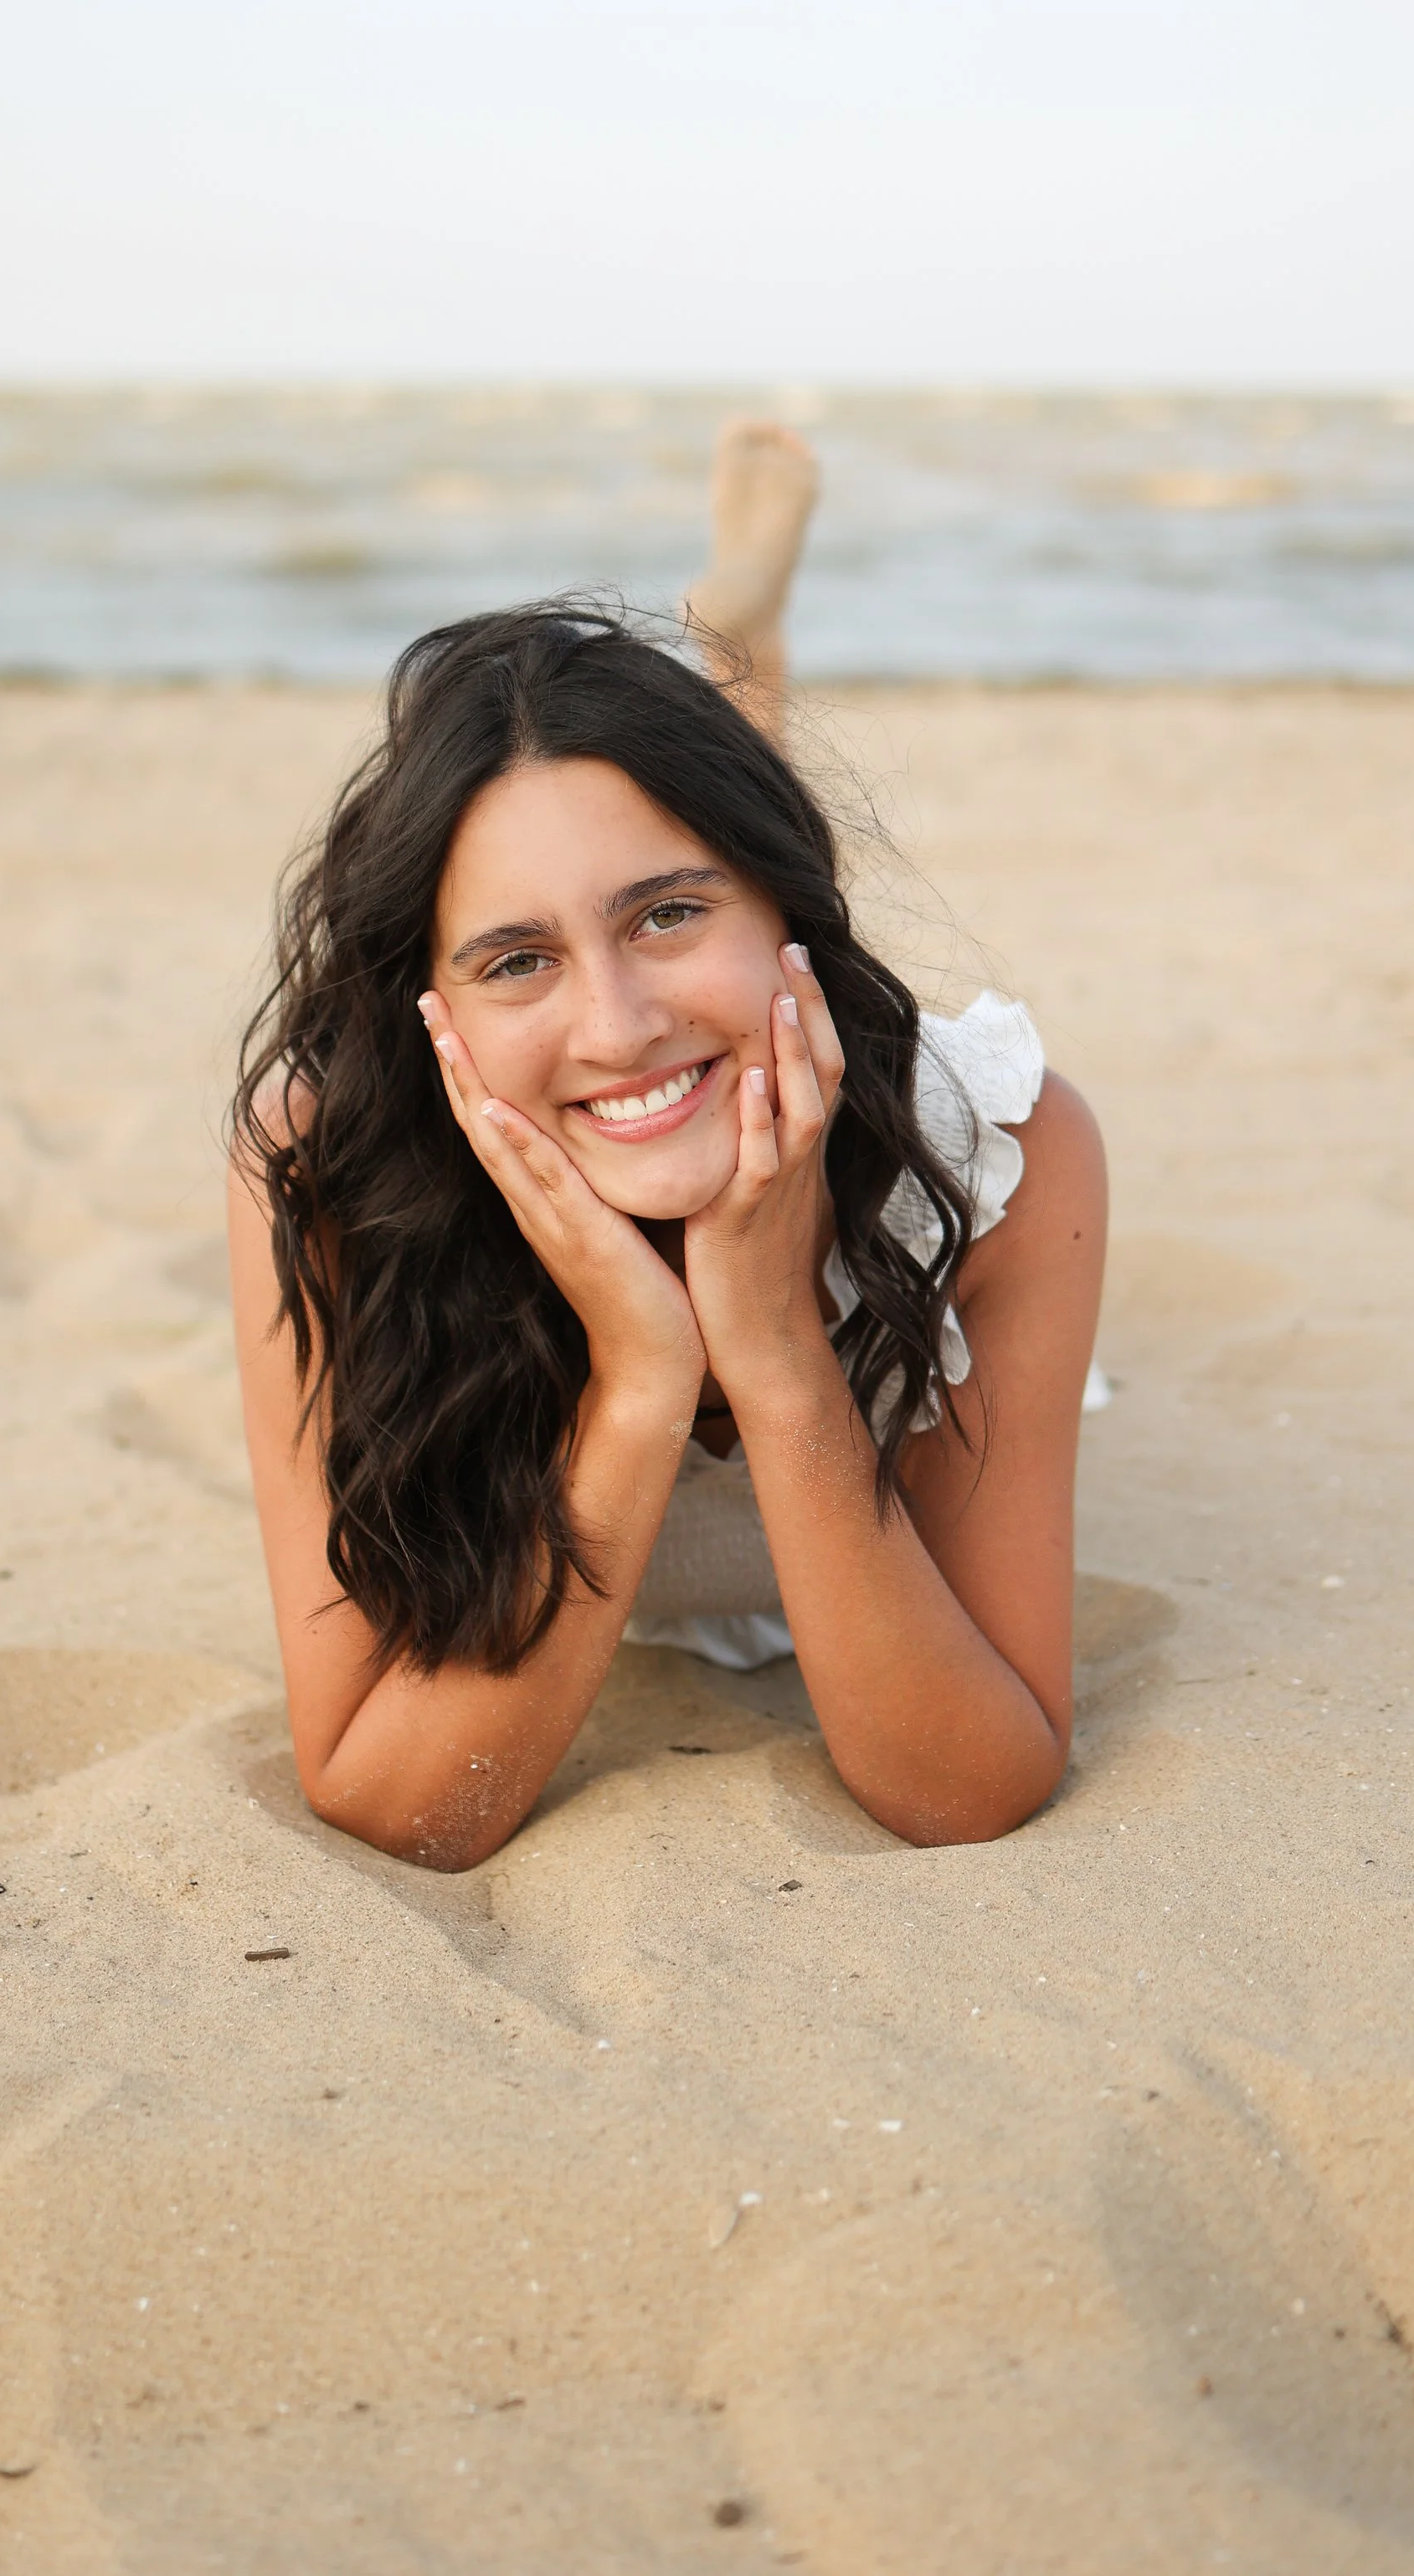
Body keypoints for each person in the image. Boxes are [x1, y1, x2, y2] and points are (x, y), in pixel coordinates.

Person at [228, 423, 1107, 1871]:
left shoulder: (1001, 1157)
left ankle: (738, 656)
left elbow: (968, 1787)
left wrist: (769, 1346)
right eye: (516, 960)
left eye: (670, 916)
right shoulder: (337, 1172)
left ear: (789, 916)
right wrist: (644, 1381)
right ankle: (728, 687)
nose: (619, 1025)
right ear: (429, 1009)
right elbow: (390, 1797)